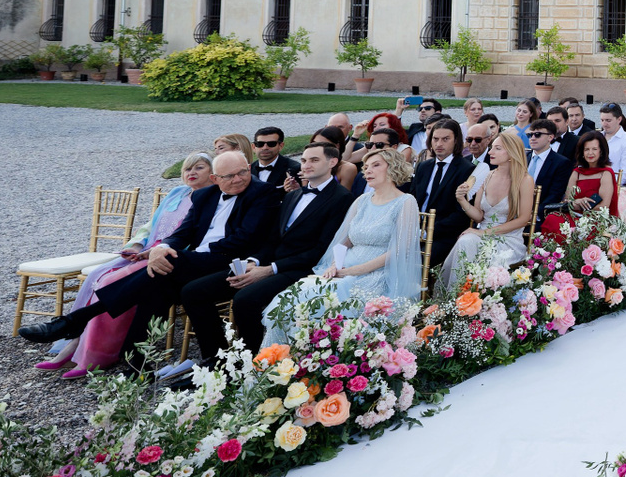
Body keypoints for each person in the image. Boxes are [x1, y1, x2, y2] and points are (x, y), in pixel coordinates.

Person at [20, 151, 282, 355]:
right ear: (215, 179)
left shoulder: (263, 193)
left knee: (163, 270)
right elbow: (182, 233)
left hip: (232, 260)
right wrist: (162, 247)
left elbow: (243, 239)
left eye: (242, 172)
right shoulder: (204, 196)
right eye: (229, 176)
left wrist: (173, 254)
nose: (238, 179)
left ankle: (76, 320)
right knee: (156, 288)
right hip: (196, 261)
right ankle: (136, 364)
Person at [37, 153, 216, 376]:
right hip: (147, 250)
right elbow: (149, 225)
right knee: (98, 275)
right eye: (188, 169)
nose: (192, 173)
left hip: (173, 257)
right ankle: (75, 344)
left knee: (112, 283)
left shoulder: (212, 199)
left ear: (213, 173)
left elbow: (195, 238)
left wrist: (158, 252)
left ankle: (94, 353)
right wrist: (136, 245)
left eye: (199, 168)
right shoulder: (177, 193)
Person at [183, 141, 351, 360]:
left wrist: (270, 269)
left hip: (301, 268)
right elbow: (272, 238)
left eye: (314, 160)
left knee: (245, 300)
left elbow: (321, 250)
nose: (306, 165)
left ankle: (250, 361)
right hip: (267, 263)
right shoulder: (293, 195)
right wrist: (254, 261)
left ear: (333, 162)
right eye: (303, 160)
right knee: (193, 292)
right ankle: (217, 358)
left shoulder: (341, 198)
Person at [306, 147, 424, 305]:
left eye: (376, 165)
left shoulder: (406, 201)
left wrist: (355, 271)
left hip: (379, 273)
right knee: (305, 293)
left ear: (393, 167)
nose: (368, 171)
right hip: (345, 267)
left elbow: (400, 250)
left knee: (330, 298)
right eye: (366, 167)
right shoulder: (361, 200)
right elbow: (346, 239)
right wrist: (335, 265)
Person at [437, 129, 536, 286]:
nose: (490, 152)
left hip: (508, 240)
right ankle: (457, 295)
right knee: (465, 241)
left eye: (497, 148)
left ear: (512, 153)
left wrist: (483, 233)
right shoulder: (487, 176)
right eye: (492, 147)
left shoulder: (525, 180)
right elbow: (479, 216)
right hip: (481, 235)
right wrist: (462, 200)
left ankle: (474, 295)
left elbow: (523, 219)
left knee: (476, 247)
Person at [410, 118, 483, 274]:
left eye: (445, 139)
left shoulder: (467, 169)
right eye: (435, 139)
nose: (439, 144)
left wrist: (428, 231)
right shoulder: (423, 166)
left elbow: (461, 214)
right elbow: (413, 199)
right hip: (415, 229)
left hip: (445, 234)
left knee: (415, 262)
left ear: (456, 141)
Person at [560, 129, 619, 235]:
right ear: (582, 152)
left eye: (594, 149)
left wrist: (579, 205)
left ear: (601, 151)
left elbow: (604, 206)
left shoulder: (606, 173)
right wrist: (576, 202)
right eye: (586, 149)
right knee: (552, 220)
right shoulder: (577, 172)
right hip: (574, 216)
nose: (590, 153)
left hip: (596, 219)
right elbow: (567, 200)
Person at [521, 121, 574, 209]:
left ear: (550, 137)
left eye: (537, 134)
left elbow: (555, 194)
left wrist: (535, 213)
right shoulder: (522, 158)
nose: (532, 138)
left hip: (541, 213)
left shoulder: (561, 163)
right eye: (530, 135)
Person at [599, 103, 626, 180]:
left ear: (619, 119)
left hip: (614, 184)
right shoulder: (596, 137)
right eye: (602, 120)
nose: (604, 124)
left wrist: (604, 183)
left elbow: (625, 174)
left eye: (608, 120)